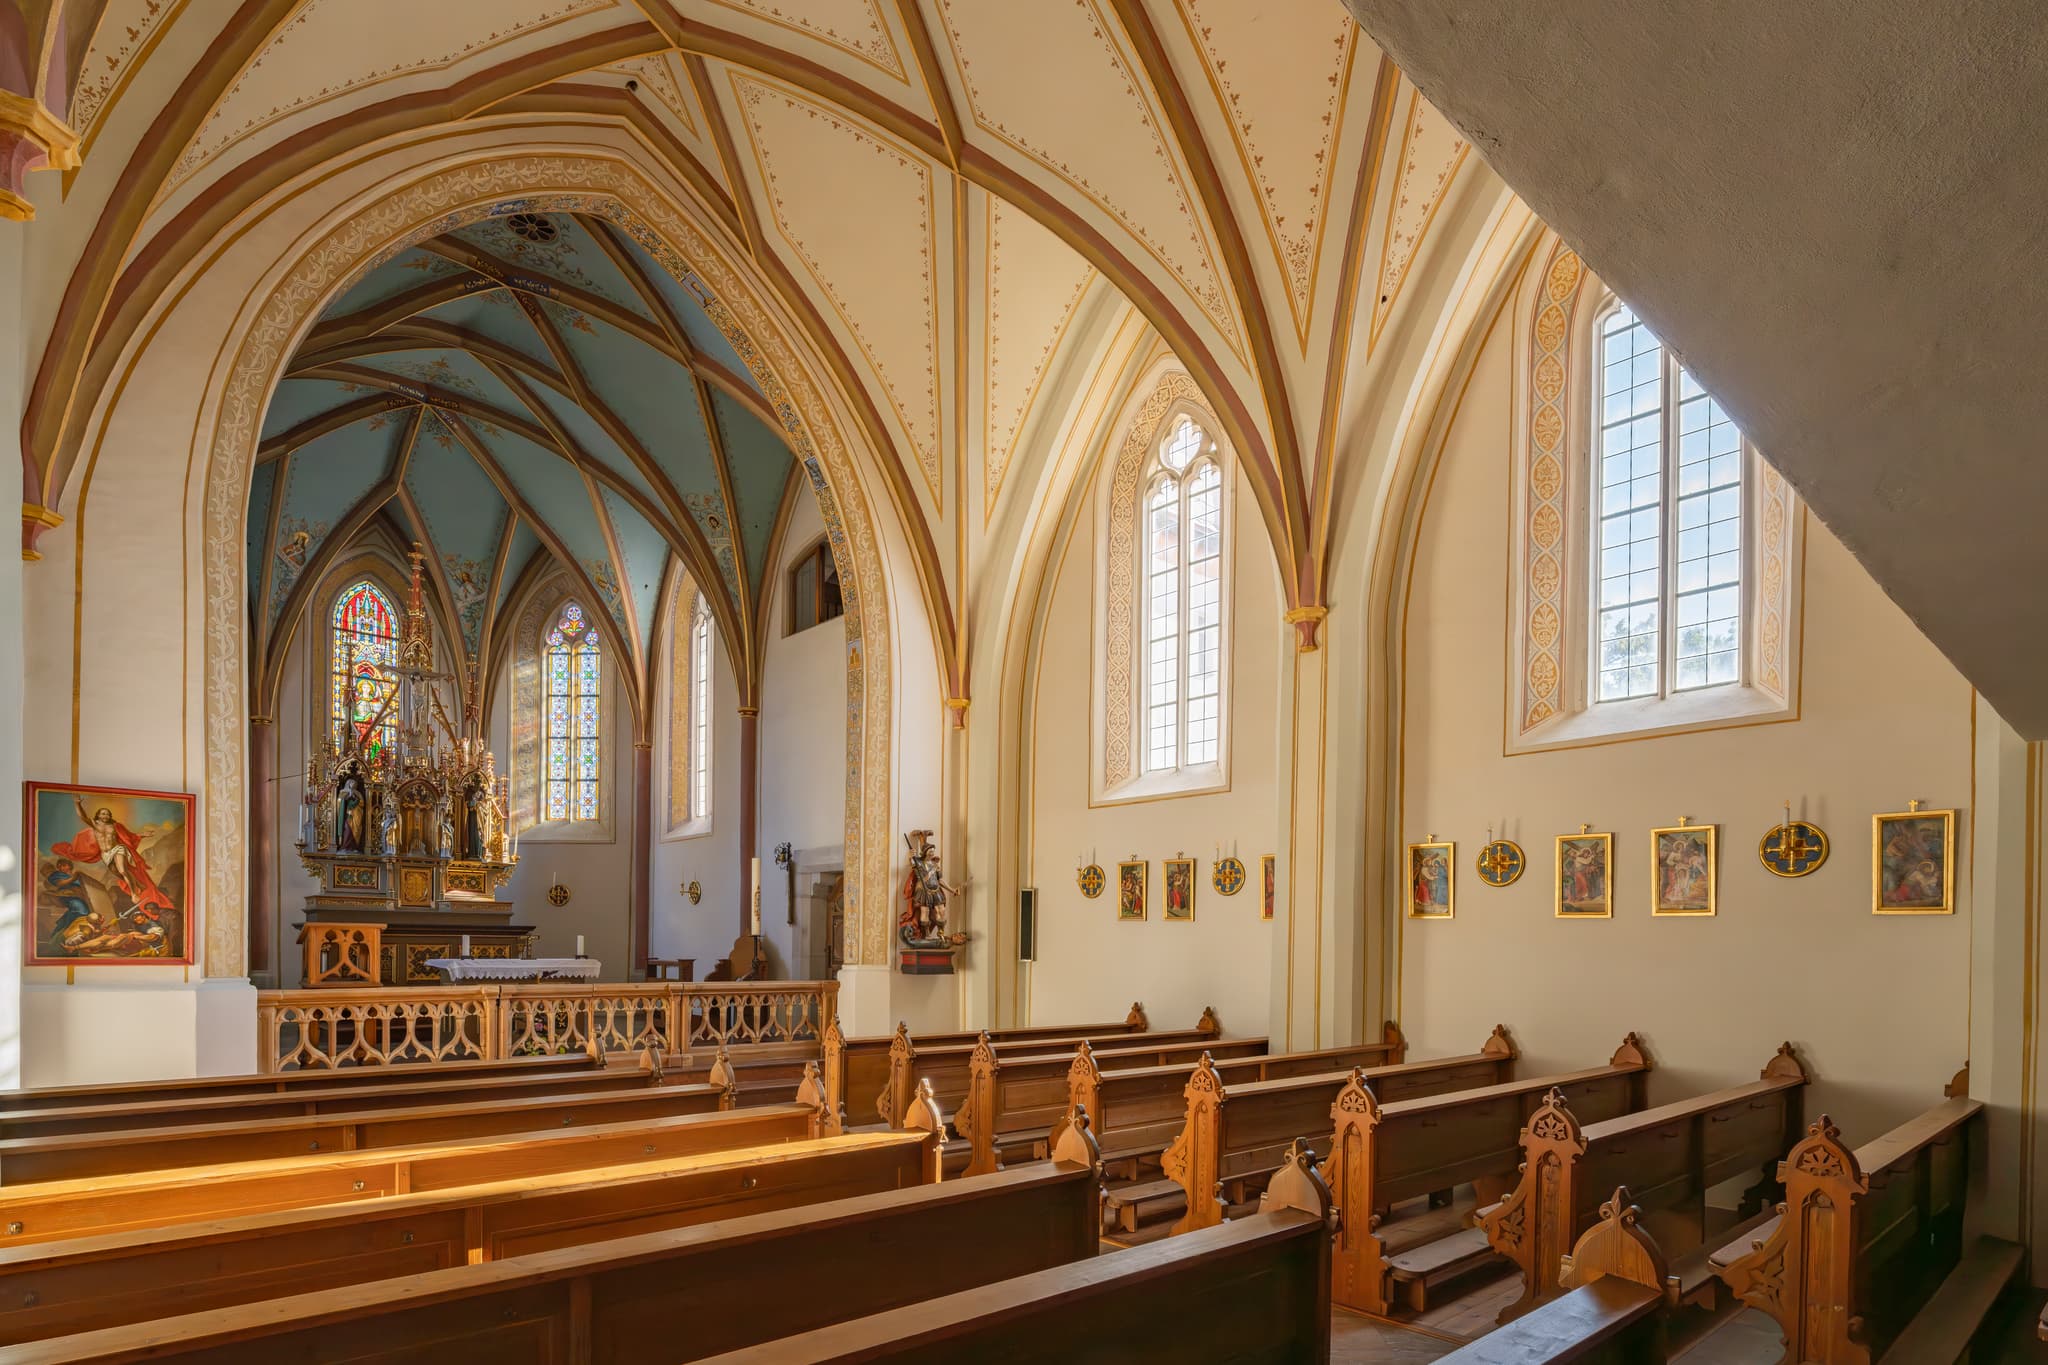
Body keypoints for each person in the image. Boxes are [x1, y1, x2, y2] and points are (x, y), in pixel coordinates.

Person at [53, 796, 174, 921]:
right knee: (117, 873)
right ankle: (139, 885)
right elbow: (82, 817)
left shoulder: (115, 826)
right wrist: (77, 804)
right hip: (105, 854)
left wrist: (143, 835)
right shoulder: (95, 824)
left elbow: (129, 836)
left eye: (107, 813)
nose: (105, 815)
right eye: (103, 813)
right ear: (98, 815)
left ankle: (134, 894)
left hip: (118, 849)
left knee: (122, 870)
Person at [43, 858, 93, 935]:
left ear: (69, 866)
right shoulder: (56, 874)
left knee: (87, 913)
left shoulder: (73, 875)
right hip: (68, 897)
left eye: (63, 865)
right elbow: (60, 883)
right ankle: (63, 933)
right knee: (80, 910)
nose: (60, 868)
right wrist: (73, 878)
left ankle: (64, 931)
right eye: (59, 866)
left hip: (81, 897)